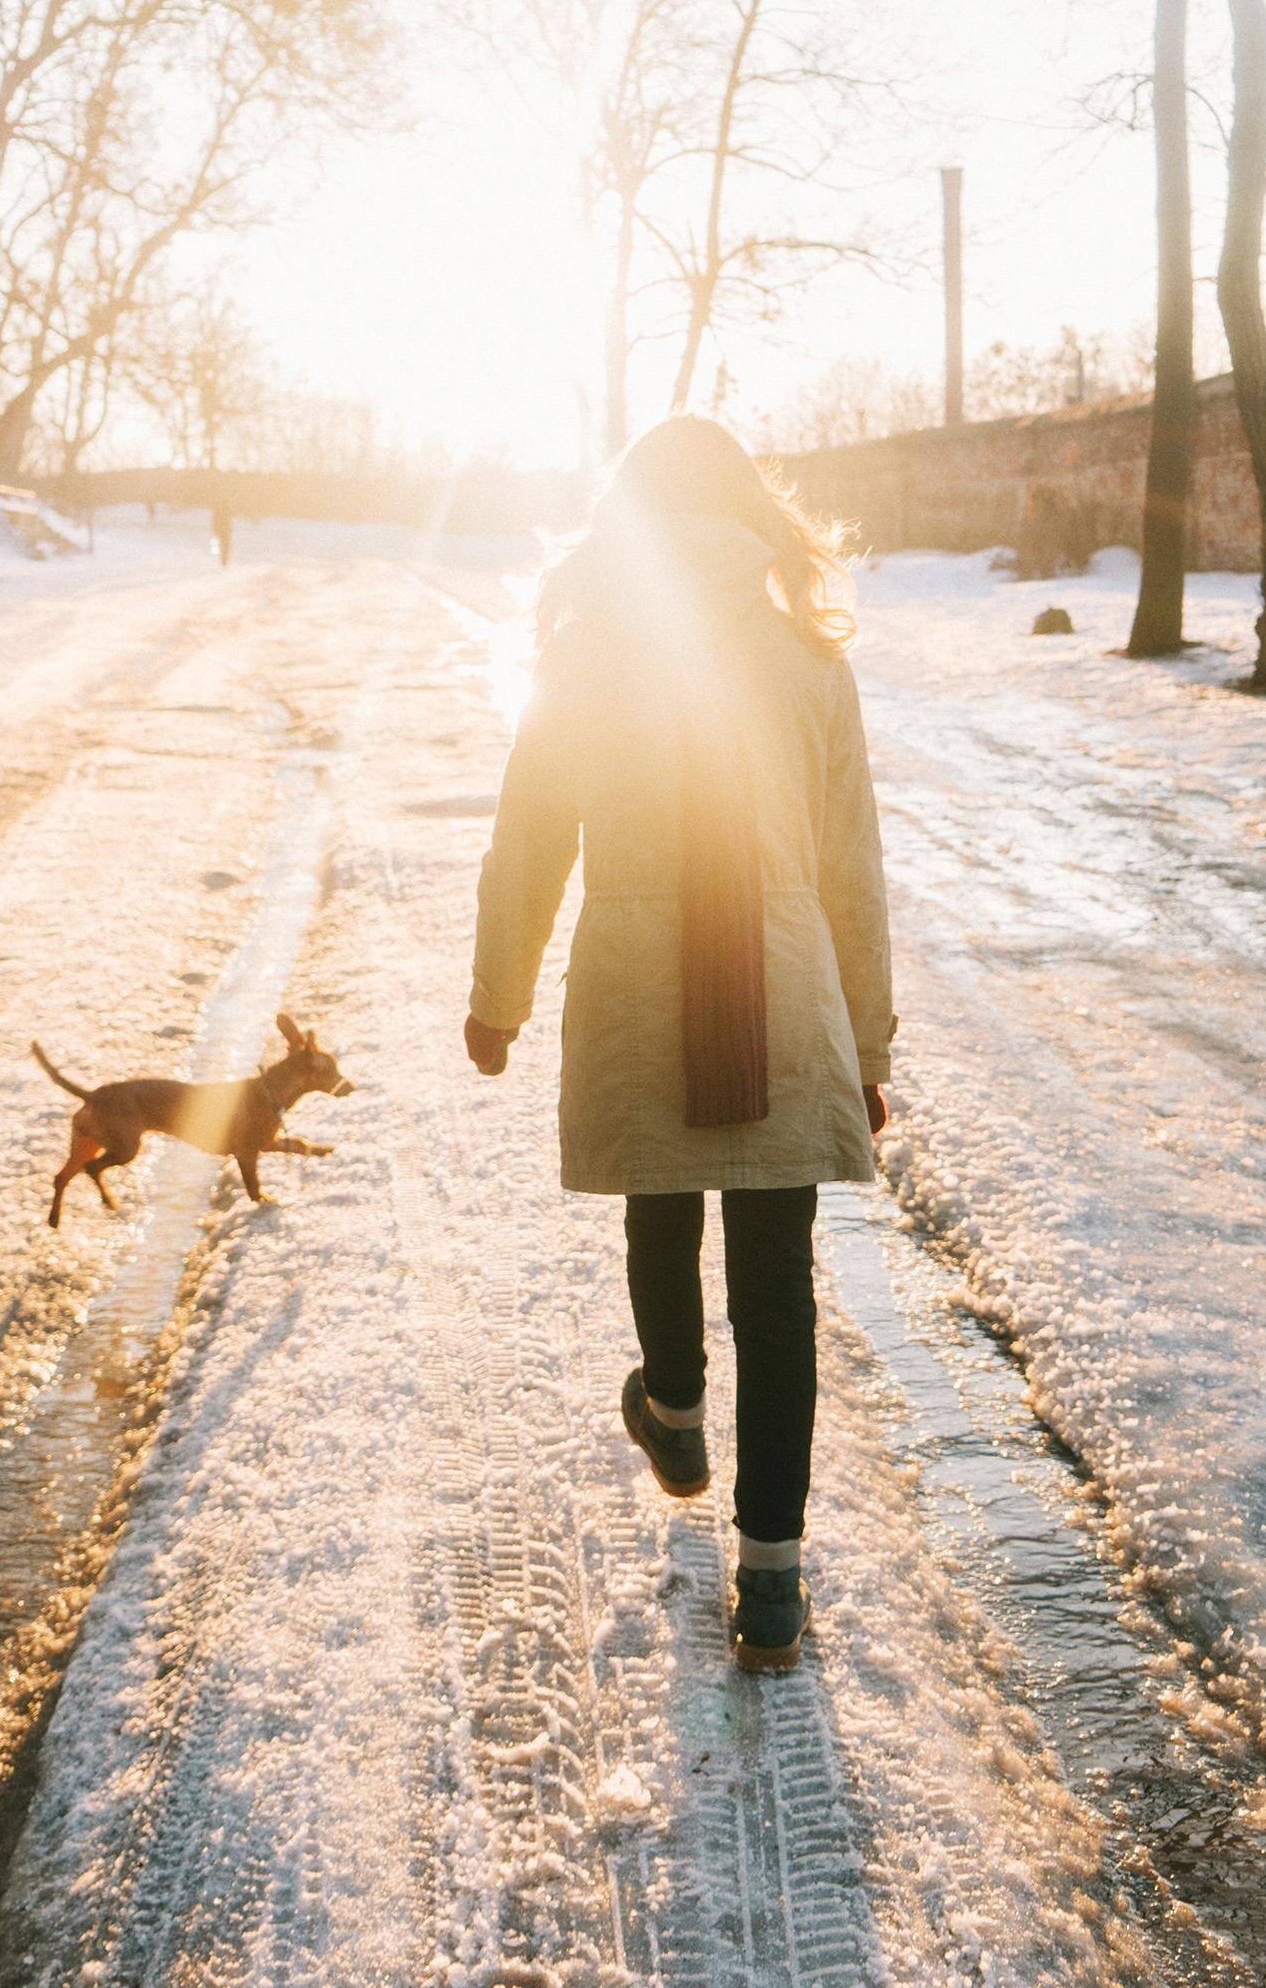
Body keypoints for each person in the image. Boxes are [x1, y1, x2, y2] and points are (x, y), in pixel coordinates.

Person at [464, 415, 894, 1673]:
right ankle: (771, 1586)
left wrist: (499, 998)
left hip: (638, 985)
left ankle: (676, 1407)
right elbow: (852, 872)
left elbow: (529, 837)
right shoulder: (811, 658)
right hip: (785, 994)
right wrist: (866, 1043)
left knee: (660, 1204)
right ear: (749, 513)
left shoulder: (589, 657)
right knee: (779, 1286)